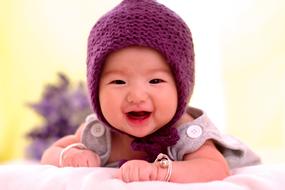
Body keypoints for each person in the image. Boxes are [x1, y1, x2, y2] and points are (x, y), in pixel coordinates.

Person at [41, 0, 261, 183]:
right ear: (95, 89)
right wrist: (68, 155)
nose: (137, 96)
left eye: (155, 80)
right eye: (118, 81)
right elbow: (49, 154)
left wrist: (159, 171)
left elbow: (215, 168)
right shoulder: (100, 133)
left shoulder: (186, 132)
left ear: (181, 87)